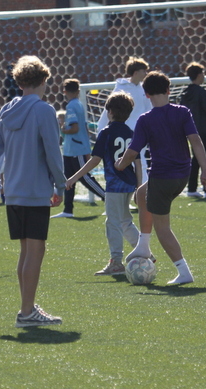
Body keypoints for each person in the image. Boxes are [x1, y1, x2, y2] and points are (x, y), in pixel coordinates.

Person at [0, 55, 65, 328]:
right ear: (44, 80)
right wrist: (60, 185)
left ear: (19, 81)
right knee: (36, 251)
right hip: (35, 190)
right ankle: (27, 312)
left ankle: (27, 308)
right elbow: (54, 153)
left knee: (26, 251)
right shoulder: (44, 110)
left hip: (13, 192)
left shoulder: (7, 109)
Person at [116, 71, 206, 285]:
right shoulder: (183, 112)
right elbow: (196, 141)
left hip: (162, 178)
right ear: (169, 90)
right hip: (182, 175)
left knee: (163, 227)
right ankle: (143, 244)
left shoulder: (146, 119)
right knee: (141, 193)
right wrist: (205, 170)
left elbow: (132, 152)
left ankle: (183, 271)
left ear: (146, 94)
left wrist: (119, 164)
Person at [66, 92, 139, 276]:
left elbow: (94, 160)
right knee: (124, 221)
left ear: (110, 112)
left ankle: (116, 262)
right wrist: (139, 186)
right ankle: (144, 251)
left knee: (113, 222)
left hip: (115, 184)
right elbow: (137, 162)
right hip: (129, 182)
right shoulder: (130, 132)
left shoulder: (106, 132)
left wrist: (74, 178)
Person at [53, 78, 105, 218]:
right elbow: (84, 127)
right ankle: (68, 210)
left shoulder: (71, 106)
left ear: (64, 91)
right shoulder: (79, 104)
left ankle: (106, 197)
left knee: (84, 177)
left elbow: (74, 128)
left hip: (76, 148)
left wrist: (63, 128)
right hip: (73, 148)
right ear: (78, 91)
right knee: (69, 178)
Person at [97, 57, 153, 184]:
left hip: (141, 134)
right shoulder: (121, 88)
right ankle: (133, 194)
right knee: (127, 164)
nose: (146, 73)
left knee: (142, 164)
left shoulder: (144, 89)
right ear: (135, 72)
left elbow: (149, 110)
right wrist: (101, 130)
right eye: (143, 70)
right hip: (124, 135)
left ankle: (142, 195)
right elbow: (109, 110)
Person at [179, 62, 206, 199]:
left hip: (189, 130)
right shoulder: (201, 92)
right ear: (199, 75)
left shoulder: (186, 92)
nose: (204, 76)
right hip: (203, 130)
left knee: (195, 159)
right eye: (203, 73)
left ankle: (192, 188)